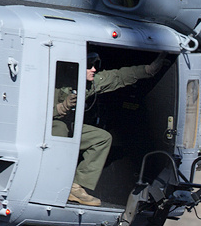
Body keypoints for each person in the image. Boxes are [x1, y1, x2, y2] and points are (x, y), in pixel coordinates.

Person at [53, 52, 166, 206]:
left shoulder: (87, 83)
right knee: (60, 130)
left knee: (101, 138)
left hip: (68, 126)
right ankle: (52, 182)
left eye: (94, 66)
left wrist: (147, 70)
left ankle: (75, 187)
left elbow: (117, 76)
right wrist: (60, 108)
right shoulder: (53, 80)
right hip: (43, 128)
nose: (94, 69)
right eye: (89, 66)